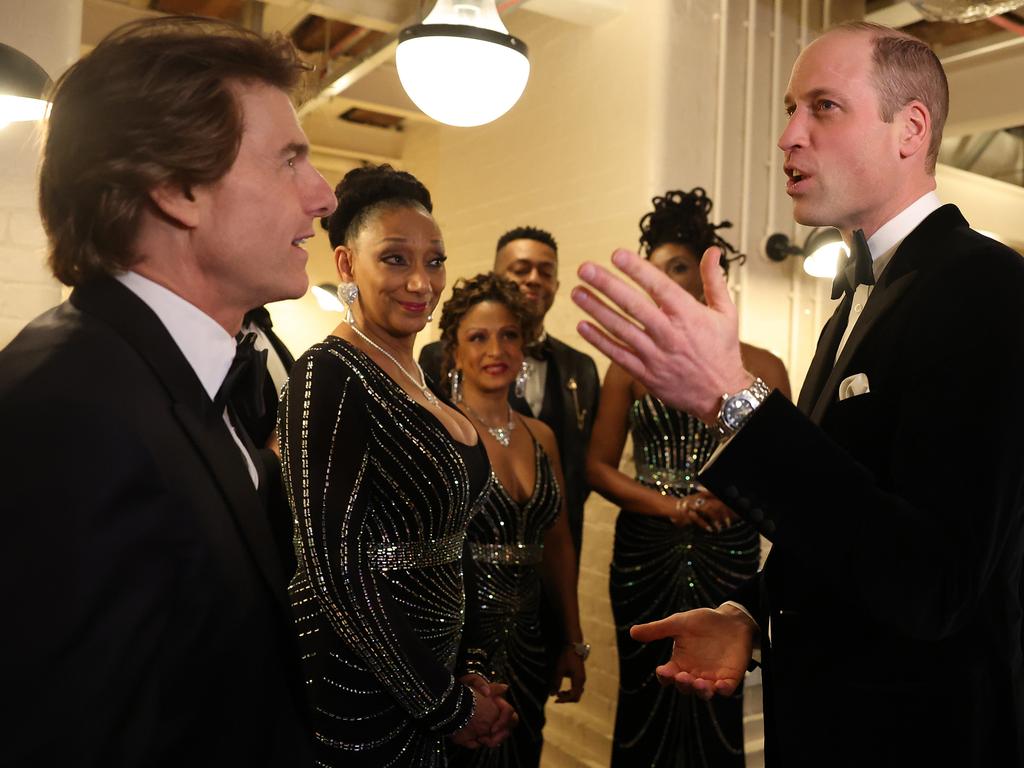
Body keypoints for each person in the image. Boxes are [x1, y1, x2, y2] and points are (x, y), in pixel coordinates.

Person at [572, 21, 1024, 767]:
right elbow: (849, 516)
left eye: (822, 107)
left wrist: (733, 400)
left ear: (911, 129)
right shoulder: (855, 303)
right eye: (788, 108)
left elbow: (935, 580)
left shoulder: (987, 288)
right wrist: (749, 612)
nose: (787, 135)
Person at [0, 17, 335, 765]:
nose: (324, 195)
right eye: (289, 160)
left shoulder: (162, 373)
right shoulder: (69, 417)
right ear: (177, 189)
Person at [280, 165, 514, 767]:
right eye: (394, 259)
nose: (420, 281)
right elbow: (333, 565)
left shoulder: (423, 380)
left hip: (434, 675)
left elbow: (454, 541)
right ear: (345, 266)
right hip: (360, 689)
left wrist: (473, 671)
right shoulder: (328, 373)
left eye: (434, 261)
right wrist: (447, 706)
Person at [586, 188, 790, 767]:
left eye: (677, 268)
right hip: (646, 547)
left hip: (730, 549)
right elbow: (597, 467)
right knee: (644, 684)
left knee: (716, 693)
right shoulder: (628, 363)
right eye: (655, 274)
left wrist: (736, 500)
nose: (664, 284)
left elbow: (788, 476)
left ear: (708, 276)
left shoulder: (767, 366)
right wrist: (672, 507)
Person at [438, 273, 586, 768]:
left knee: (524, 750)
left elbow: (560, 543)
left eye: (508, 335)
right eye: (477, 337)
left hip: (532, 635)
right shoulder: (439, 430)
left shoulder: (541, 435)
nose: (494, 348)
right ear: (454, 353)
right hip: (460, 640)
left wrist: (572, 639)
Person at [420, 227, 599, 559]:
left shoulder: (582, 368)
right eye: (520, 270)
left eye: (545, 272)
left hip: (554, 546)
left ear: (556, 285)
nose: (533, 280)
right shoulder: (435, 358)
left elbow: (582, 466)